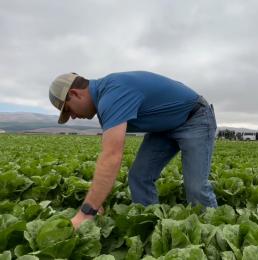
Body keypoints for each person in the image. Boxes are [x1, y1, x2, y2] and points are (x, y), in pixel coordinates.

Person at [49, 71, 218, 229]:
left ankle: (211, 232)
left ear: (75, 93)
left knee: (196, 187)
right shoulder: (105, 97)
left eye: (68, 110)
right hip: (164, 127)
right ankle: (153, 226)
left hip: (195, 118)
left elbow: (111, 156)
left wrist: (87, 212)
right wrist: (96, 201)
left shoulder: (112, 95)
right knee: (139, 177)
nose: (72, 116)